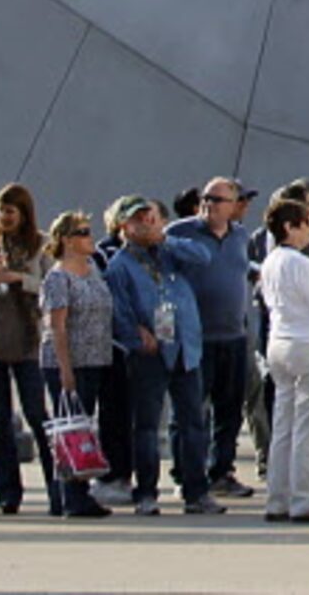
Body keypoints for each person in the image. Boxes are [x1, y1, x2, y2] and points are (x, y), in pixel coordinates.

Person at [104, 194, 219, 517]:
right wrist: (135, 334)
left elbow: (203, 257)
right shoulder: (120, 266)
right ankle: (146, 492)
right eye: (139, 219)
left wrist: (165, 239)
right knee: (147, 425)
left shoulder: (170, 252)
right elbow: (119, 311)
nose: (147, 224)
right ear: (123, 226)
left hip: (185, 347)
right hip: (150, 353)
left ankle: (197, 490)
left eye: (151, 217)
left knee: (193, 422)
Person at [169, 177, 258, 501]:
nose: (209, 204)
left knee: (229, 409)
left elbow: (240, 269)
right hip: (195, 338)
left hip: (233, 335)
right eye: (206, 198)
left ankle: (221, 471)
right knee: (190, 411)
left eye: (217, 199)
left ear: (233, 205)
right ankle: (185, 474)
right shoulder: (180, 233)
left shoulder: (239, 236)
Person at [0, 184, 58, 517]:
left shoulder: (40, 245)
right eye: (0, 211)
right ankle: (7, 493)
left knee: (38, 415)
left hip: (28, 341)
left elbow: (49, 287)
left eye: (10, 211)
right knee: (0, 420)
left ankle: (57, 487)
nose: (4, 218)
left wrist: (17, 278)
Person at [254, 197, 309, 522]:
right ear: (290, 227)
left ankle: (278, 497)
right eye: (304, 224)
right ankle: (303, 496)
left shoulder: (271, 261)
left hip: (280, 342)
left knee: (284, 424)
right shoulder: (302, 264)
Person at [34, 211, 115, 519]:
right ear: (66, 240)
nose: (89, 237)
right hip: (67, 361)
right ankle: (69, 496)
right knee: (69, 428)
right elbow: (57, 326)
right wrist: (65, 370)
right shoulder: (57, 278)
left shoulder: (93, 269)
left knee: (84, 429)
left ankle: (82, 489)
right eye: (82, 232)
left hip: (96, 358)